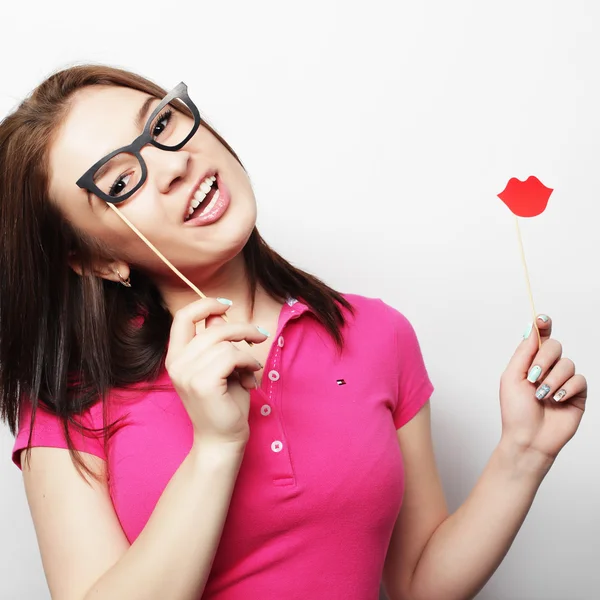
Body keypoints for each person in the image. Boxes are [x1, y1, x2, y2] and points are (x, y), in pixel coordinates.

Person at [0, 64, 587, 600]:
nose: (174, 164)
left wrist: (523, 453)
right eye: (122, 183)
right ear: (98, 261)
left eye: (161, 123)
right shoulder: (69, 394)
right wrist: (215, 447)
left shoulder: (377, 334)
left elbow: (417, 586)